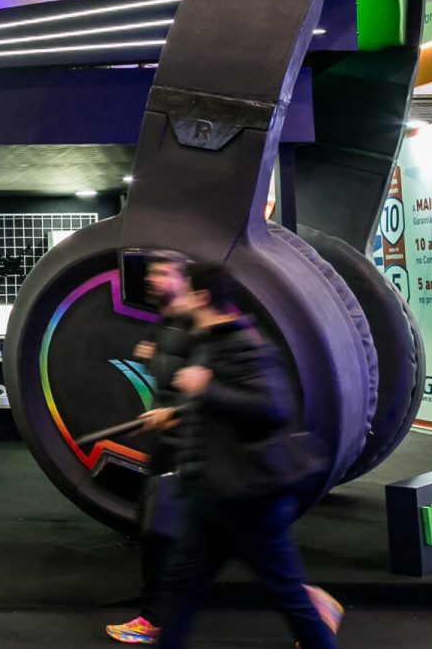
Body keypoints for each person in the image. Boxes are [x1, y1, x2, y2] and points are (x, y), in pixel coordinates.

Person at [140, 262, 341, 648]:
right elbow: (219, 408)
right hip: (210, 494)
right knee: (181, 591)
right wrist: (175, 413)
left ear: (201, 297)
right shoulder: (207, 341)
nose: (178, 297)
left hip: (247, 498)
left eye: (185, 291)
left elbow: (271, 407)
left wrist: (205, 390)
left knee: (288, 595)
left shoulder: (242, 343)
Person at [104, 252, 193, 644]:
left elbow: (216, 386)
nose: (152, 279)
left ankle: (154, 619)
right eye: (152, 272)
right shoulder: (166, 320)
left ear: (183, 277)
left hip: (194, 446)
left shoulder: (199, 322)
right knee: (156, 530)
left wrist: (176, 413)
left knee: (170, 534)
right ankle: (155, 618)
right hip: (168, 445)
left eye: (162, 272)